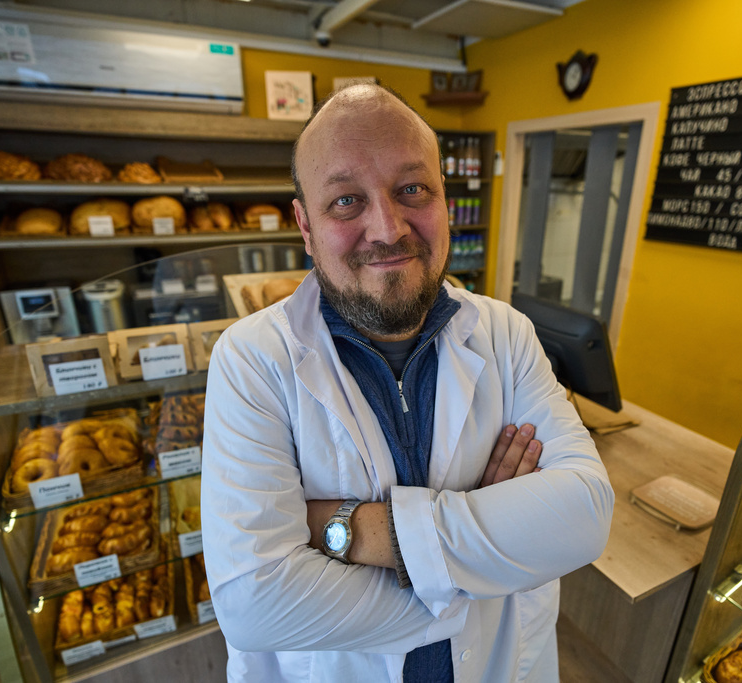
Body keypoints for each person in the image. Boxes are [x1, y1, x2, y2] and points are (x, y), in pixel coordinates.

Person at [201, 83, 614, 682]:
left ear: (444, 199)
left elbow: (585, 514)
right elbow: (256, 602)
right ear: (305, 224)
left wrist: (343, 529)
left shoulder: (505, 334)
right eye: (345, 200)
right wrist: (480, 568)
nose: (388, 228)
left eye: (412, 189)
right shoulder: (251, 359)